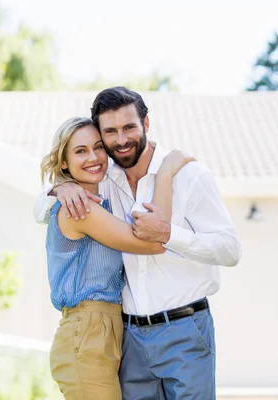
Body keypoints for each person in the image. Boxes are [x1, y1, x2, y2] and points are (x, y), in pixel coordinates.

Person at [35, 87, 242, 400]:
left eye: (129, 127)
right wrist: (57, 191)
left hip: (184, 327)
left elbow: (230, 249)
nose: (121, 140)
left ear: (146, 123)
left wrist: (170, 233)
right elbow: (44, 208)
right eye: (111, 132)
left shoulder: (189, 175)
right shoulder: (102, 178)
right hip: (128, 337)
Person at [41, 116, 194, 400]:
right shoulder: (81, 209)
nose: (93, 157)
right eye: (80, 151)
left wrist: (58, 187)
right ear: (63, 162)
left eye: (98, 147)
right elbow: (153, 241)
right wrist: (164, 174)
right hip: (86, 334)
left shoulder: (101, 203)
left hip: (105, 331)